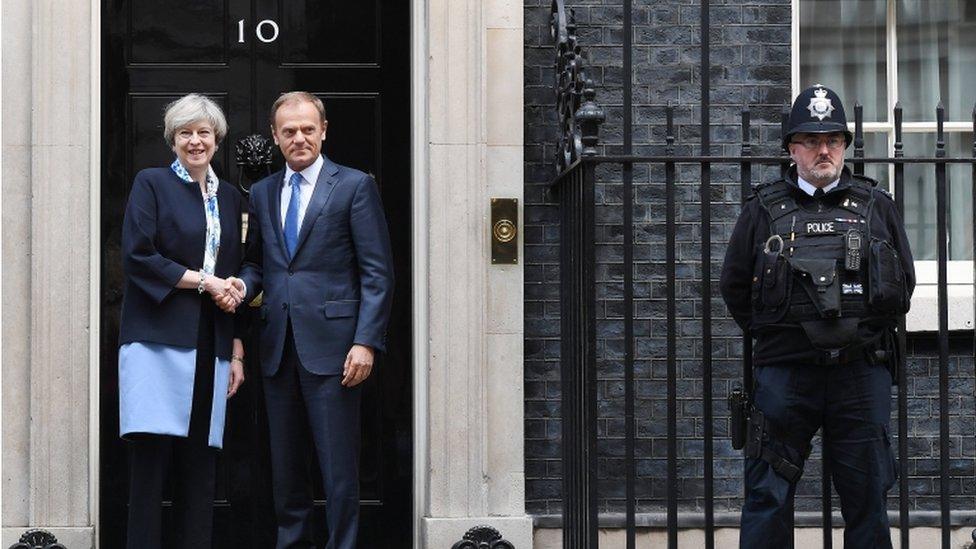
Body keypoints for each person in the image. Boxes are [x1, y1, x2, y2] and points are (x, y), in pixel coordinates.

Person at [720, 84, 915, 548]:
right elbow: (733, 285)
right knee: (767, 495)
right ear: (792, 148)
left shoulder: (876, 206)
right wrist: (782, 334)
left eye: (833, 140)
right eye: (810, 140)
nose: (823, 150)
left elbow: (902, 282)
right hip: (785, 376)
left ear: (845, 145)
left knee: (867, 496)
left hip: (859, 374)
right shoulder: (762, 210)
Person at [233, 91, 394, 549]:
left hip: (337, 350)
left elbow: (377, 273)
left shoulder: (354, 186)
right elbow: (257, 263)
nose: (299, 138)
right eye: (289, 131)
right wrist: (240, 287)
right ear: (275, 136)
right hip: (277, 349)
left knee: (337, 467)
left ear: (324, 130)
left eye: (307, 129)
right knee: (284, 468)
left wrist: (366, 341)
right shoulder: (264, 192)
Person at [118, 93, 246, 548]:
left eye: (204, 133)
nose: (195, 141)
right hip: (156, 341)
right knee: (150, 468)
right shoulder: (151, 184)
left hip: (211, 343)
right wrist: (205, 282)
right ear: (172, 140)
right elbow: (138, 255)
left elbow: (238, 265)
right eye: (185, 133)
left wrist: (235, 349)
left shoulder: (229, 197)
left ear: (217, 140)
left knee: (200, 468)